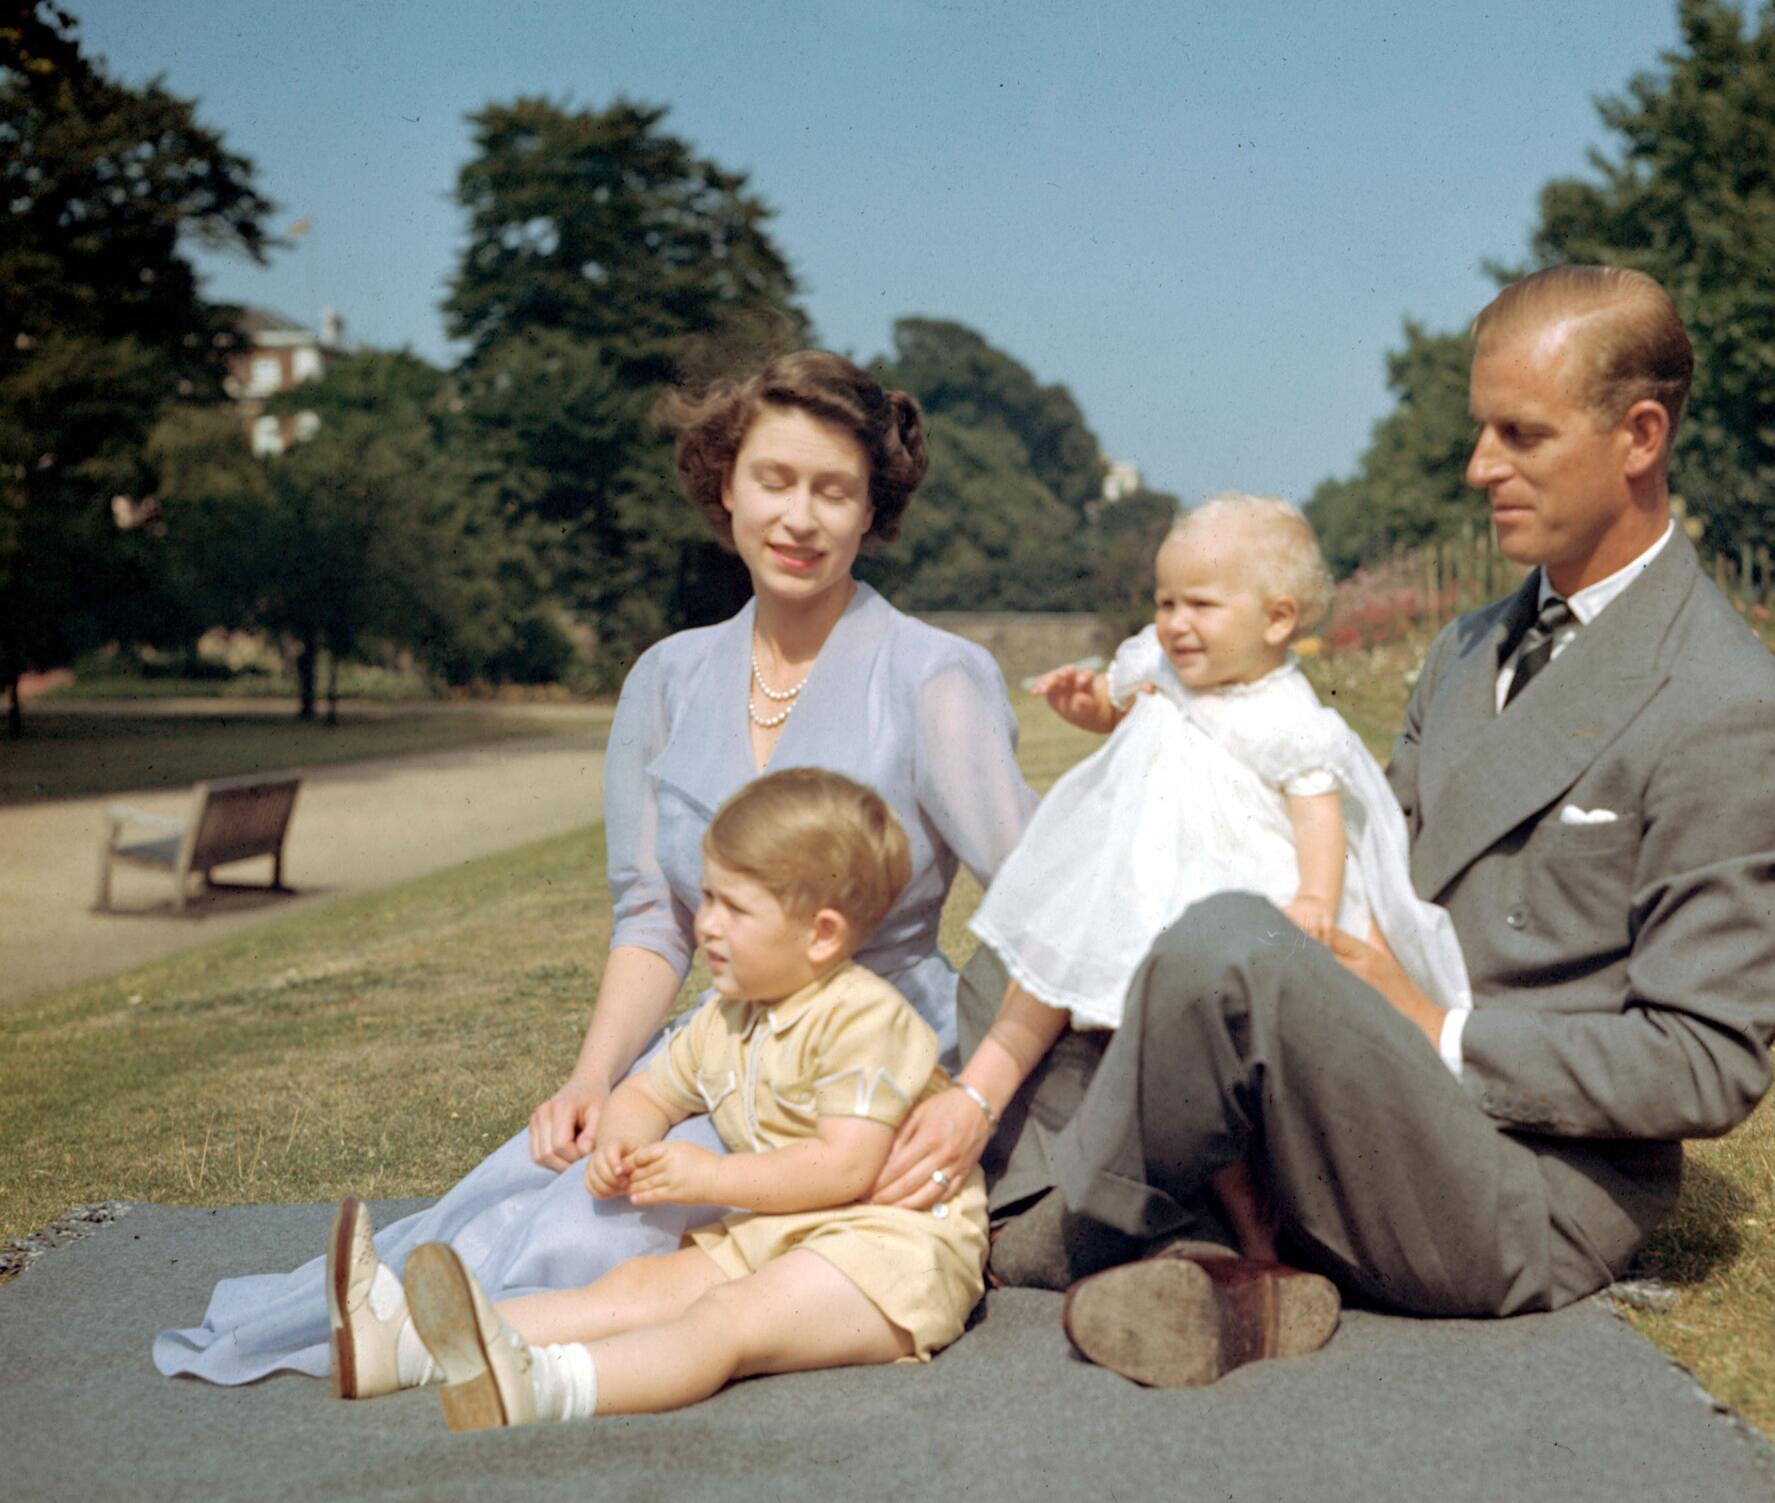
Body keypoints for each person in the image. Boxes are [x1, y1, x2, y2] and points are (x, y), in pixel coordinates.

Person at [966, 265, 1775, 1388]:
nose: (1480, 468)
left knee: (1217, 951)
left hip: (1514, 1181)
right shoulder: (1468, 648)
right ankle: (1219, 1261)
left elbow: (1705, 1062)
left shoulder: (1731, 711)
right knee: (1030, 947)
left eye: (1519, 435)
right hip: (1358, 1082)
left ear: (1639, 435)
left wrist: (1431, 1028)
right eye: (1480, 431)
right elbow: (1359, 864)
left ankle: (1038, 1235)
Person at [155, 350, 1036, 1392]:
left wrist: (973, 1102)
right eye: (774, 480)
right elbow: (651, 919)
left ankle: (459, 1352)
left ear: (870, 509)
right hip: (716, 1056)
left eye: (832, 491)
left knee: (592, 1228)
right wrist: (589, 1079)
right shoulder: (665, 679)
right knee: (545, 1176)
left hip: (865, 1079)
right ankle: (401, 1329)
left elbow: (1047, 916)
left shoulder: (935, 676)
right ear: (724, 486)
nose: (798, 518)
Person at [340, 770, 987, 1428]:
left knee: (727, 1319)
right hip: (784, 1233)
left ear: (820, 933)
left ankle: (547, 1386)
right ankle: (403, 1348)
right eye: (705, 898)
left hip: (895, 1250)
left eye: (734, 908)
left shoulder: (863, 1020)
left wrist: (711, 1175)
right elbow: (652, 1090)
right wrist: (625, 1137)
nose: (705, 924)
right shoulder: (729, 1017)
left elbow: (845, 1165)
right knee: (634, 1288)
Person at [964, 493, 1468, 1263]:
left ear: (1276, 620)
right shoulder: (1159, 665)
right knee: (1124, 1017)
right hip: (1145, 872)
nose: (1175, 622)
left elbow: (1318, 818)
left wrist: (1313, 897)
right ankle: (1200, 1207)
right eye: (1166, 601)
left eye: (1200, 603)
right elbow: (1117, 701)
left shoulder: (1288, 714)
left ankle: (1254, 1220)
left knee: (1214, 1050)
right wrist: (1086, 704)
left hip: (1236, 883)